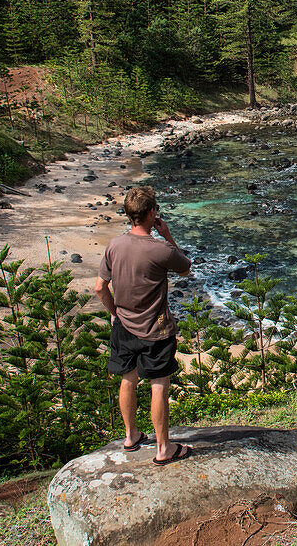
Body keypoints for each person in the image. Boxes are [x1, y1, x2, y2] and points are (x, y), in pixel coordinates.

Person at [95, 185, 193, 465]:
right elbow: (185, 268)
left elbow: (100, 287)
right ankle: (164, 449)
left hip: (124, 326)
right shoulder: (161, 249)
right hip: (156, 330)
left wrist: (114, 313)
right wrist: (167, 235)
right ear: (152, 213)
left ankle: (131, 436)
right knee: (158, 384)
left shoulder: (114, 245)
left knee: (128, 378)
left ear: (128, 215)